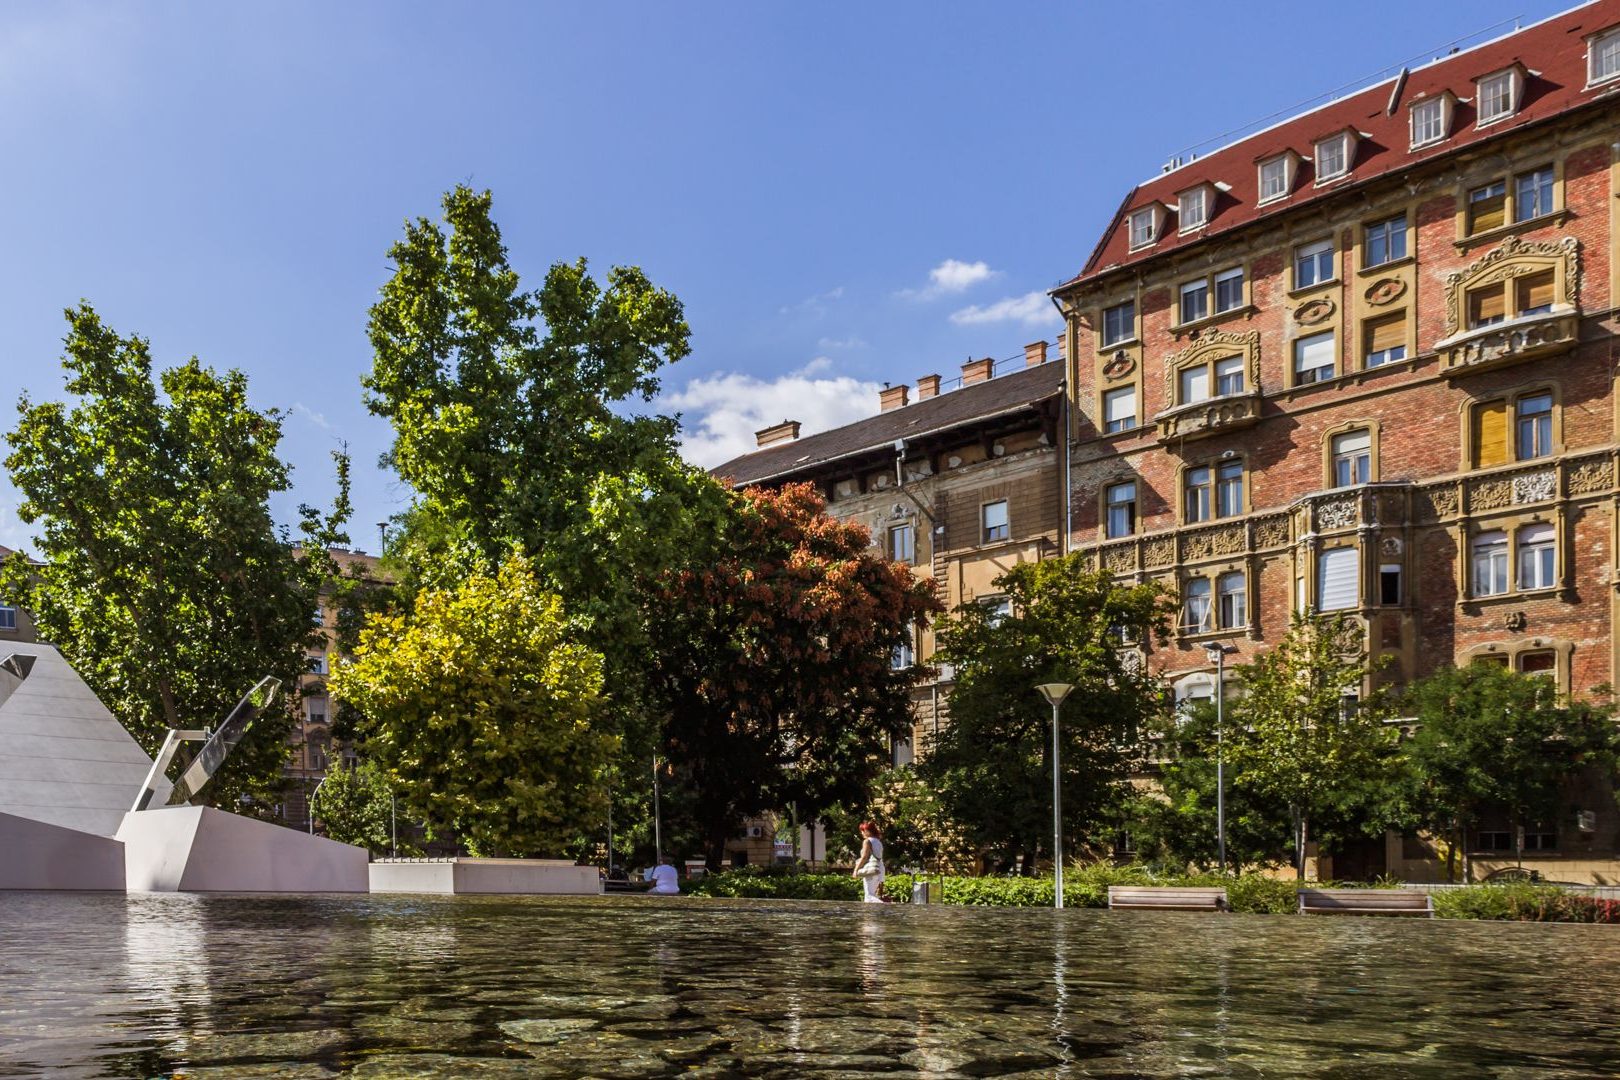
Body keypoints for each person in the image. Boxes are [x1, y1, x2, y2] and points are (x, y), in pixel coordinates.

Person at [851, 822, 886, 903]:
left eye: (862, 830)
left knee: (869, 896)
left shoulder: (867, 841)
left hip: (871, 870)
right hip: (879, 869)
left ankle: (886, 909)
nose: (862, 833)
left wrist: (856, 869)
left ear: (867, 830)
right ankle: (872, 915)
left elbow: (864, 857)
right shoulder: (878, 842)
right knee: (872, 895)